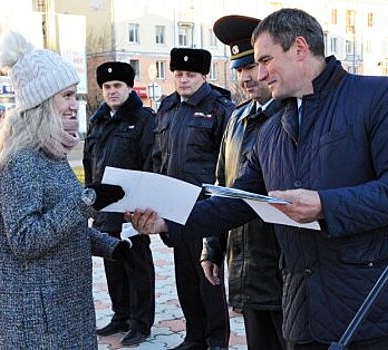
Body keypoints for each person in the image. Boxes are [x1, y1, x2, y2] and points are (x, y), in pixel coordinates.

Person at [129, 8, 388, 350]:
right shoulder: (271, 130)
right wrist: (168, 221)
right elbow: (240, 202)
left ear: (299, 47)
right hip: (304, 309)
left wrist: (325, 206)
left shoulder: (380, 95)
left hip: (377, 307)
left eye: (266, 59)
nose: (262, 73)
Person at [0, 31, 129, 349]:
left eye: (75, 95)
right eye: (66, 96)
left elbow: (64, 227)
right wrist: (85, 202)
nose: (74, 105)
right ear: (42, 102)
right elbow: (25, 239)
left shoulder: (51, 154)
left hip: (66, 309)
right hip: (36, 320)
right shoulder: (21, 161)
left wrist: (112, 247)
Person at [200, 15, 285, 350]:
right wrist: (212, 248)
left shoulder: (291, 114)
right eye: (239, 69)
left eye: (252, 65)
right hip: (246, 264)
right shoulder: (236, 117)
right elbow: (222, 185)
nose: (246, 77)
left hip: (283, 265)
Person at [153, 47, 235, 350]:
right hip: (174, 205)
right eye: (178, 74)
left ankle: (216, 340)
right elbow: (157, 155)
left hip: (205, 206)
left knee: (208, 277)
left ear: (204, 76)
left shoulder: (220, 107)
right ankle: (194, 336)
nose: (183, 80)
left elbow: (228, 161)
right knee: (185, 277)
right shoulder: (168, 107)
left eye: (190, 74)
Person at [83, 61, 156, 346]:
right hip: (103, 208)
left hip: (132, 209)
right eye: (107, 87)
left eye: (117, 86)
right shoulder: (98, 120)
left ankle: (141, 322)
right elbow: (90, 163)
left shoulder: (143, 118)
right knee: (112, 263)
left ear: (129, 87)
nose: (112, 91)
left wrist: (144, 203)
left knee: (137, 264)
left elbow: (151, 161)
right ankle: (121, 315)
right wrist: (89, 202)